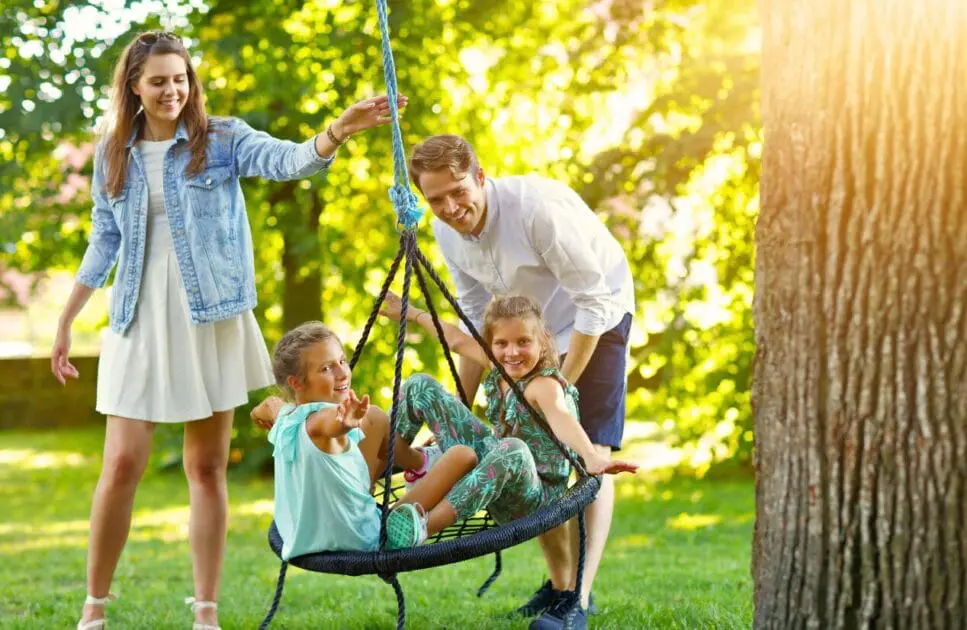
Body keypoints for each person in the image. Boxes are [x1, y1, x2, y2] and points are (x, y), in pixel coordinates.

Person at [49, 31, 406, 630]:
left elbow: (290, 160)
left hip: (211, 315)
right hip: (138, 315)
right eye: (158, 80)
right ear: (134, 86)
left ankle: (206, 613)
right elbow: (102, 242)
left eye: (180, 78)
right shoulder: (114, 152)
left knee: (207, 467)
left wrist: (338, 130)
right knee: (121, 465)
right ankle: (94, 608)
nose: (171, 90)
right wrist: (65, 319)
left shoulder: (223, 140)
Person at [408, 134, 636, 629]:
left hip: (592, 317)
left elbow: (594, 300)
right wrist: (460, 404)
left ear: (481, 176)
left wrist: (553, 391)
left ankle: (579, 598)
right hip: (522, 334)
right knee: (527, 454)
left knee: (585, 447)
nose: (450, 207)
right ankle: (559, 584)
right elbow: (474, 327)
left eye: (458, 191)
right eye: (436, 199)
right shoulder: (447, 232)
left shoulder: (537, 211)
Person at [378, 294, 637, 583]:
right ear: (491, 345)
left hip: (533, 497)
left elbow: (561, 418)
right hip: (493, 470)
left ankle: (421, 527)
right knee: (419, 385)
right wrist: (411, 313)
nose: (512, 352)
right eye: (501, 343)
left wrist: (589, 455)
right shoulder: (497, 366)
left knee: (513, 449)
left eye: (523, 341)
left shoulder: (544, 385)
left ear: (544, 341)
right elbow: (454, 339)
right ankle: (377, 476)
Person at [251, 322, 477, 559]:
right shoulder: (321, 420)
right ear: (296, 383)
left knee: (376, 417)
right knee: (464, 455)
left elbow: (268, 408)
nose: (341, 373)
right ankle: (415, 519)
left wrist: (259, 411)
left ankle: (418, 463)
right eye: (327, 368)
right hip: (366, 537)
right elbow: (328, 423)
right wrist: (345, 422)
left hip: (308, 538)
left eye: (341, 361)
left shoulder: (286, 417)